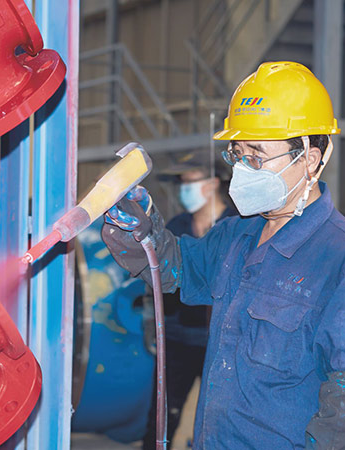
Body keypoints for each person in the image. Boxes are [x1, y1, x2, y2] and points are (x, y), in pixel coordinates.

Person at [102, 61, 345, 449]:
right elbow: (175, 267)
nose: (244, 170)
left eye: (257, 155)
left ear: (309, 158)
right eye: (237, 154)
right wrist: (141, 230)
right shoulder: (236, 234)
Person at [142, 152, 237, 449]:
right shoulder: (177, 225)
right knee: (162, 415)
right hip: (178, 337)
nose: (185, 188)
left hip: (223, 341)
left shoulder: (238, 225)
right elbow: (160, 274)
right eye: (181, 182)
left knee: (223, 418)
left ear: (213, 183)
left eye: (190, 181)